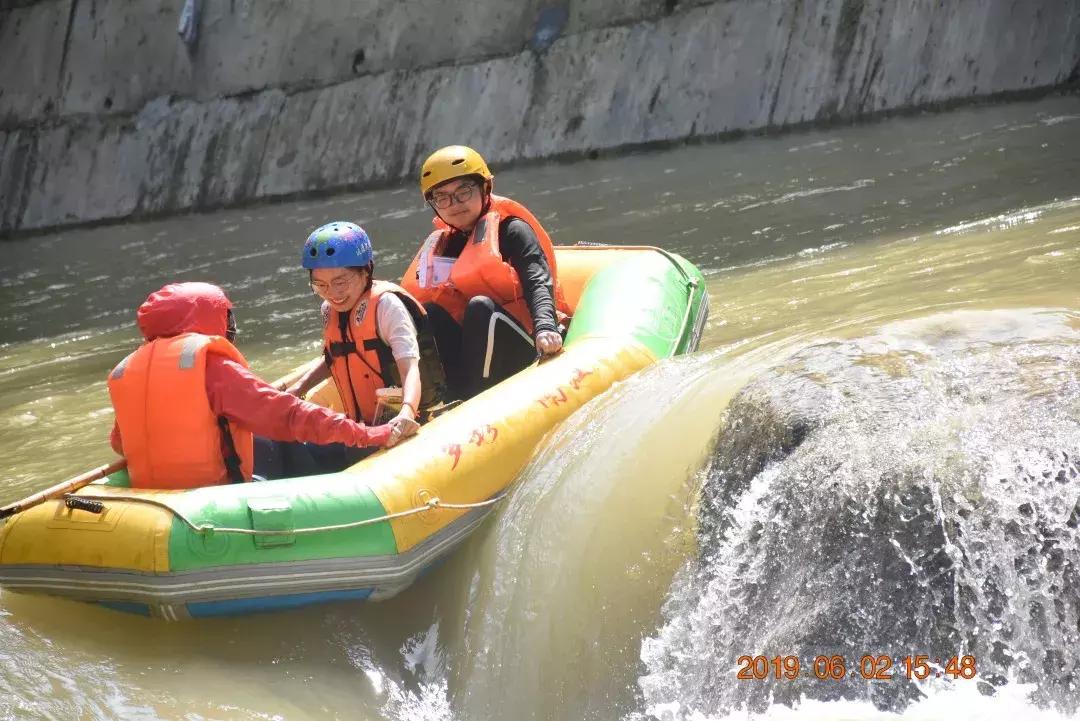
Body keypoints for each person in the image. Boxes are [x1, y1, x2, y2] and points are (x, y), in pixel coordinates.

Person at [106, 282, 404, 489]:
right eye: (224, 316)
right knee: (287, 439)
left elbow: (120, 442)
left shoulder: (128, 369)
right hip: (219, 496)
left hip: (159, 499)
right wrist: (369, 434)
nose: (230, 325)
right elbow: (288, 416)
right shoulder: (211, 367)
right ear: (205, 319)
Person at [401, 145, 572, 399]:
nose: (454, 204)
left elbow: (536, 278)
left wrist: (546, 326)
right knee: (432, 314)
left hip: (528, 341)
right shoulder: (447, 244)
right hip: (475, 360)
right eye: (442, 197)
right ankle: (449, 395)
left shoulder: (512, 229)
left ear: (485, 188)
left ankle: (473, 396)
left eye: (463, 192)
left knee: (480, 308)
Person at [283, 222, 444, 452]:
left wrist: (407, 412)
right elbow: (335, 356)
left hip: (402, 424)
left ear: (366, 270)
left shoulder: (387, 306)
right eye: (320, 285)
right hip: (361, 430)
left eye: (340, 282)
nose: (332, 293)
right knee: (293, 446)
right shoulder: (330, 309)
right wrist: (298, 388)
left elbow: (410, 369)